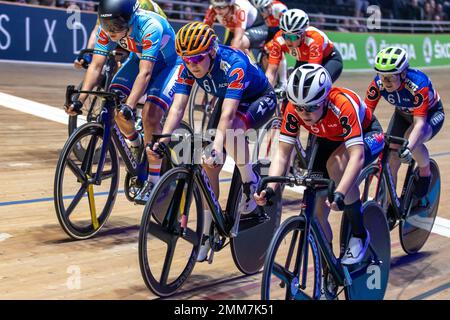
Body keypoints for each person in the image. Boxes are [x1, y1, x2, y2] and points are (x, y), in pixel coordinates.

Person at [148, 22, 277, 262]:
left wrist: (218, 147)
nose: (191, 64)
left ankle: (250, 181)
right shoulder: (188, 67)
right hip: (229, 100)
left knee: (231, 132)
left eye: (197, 58)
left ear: (212, 52)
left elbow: (228, 116)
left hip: (258, 98)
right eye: (186, 59)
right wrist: (162, 139)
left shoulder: (233, 65)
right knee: (209, 168)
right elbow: (176, 108)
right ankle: (207, 232)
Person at [255, 64, 385, 265]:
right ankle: (329, 267)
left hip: (367, 134)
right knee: (316, 213)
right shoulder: (293, 109)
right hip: (328, 137)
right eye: (299, 107)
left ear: (325, 99)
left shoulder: (342, 105)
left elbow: (357, 157)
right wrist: (271, 188)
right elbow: (282, 154)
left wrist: (340, 193)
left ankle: (360, 234)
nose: (303, 112)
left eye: (311, 107)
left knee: (336, 166)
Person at [65, 0, 181, 204]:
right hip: (139, 59)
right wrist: (79, 100)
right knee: (113, 104)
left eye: (117, 27)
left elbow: (145, 74)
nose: (111, 32)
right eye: (107, 26)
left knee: (149, 115)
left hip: (169, 65)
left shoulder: (149, 26)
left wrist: (130, 105)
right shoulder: (106, 28)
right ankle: (136, 145)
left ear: (131, 19)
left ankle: (153, 181)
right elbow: (96, 66)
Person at [364, 46, 445, 208]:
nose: (385, 82)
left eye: (390, 77)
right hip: (402, 114)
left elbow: (420, 124)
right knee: (392, 157)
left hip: (430, 115)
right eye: (381, 75)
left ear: (403, 73)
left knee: (409, 140)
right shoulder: (378, 83)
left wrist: (408, 148)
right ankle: (388, 204)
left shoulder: (418, 84)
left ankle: (425, 173)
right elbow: (365, 114)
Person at [74, 0, 166, 69]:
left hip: (147, 33)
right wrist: (89, 55)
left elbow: (139, 37)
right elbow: (96, 31)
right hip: (123, 30)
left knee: (132, 65)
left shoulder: (141, 4)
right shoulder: (109, 5)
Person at [265, 9, 343, 90]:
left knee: (315, 88)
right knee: (290, 93)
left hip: (329, 59)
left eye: (293, 37)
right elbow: (271, 71)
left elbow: (313, 73)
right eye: (285, 36)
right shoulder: (278, 39)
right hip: (303, 61)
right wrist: (266, 92)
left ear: (303, 34)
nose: (288, 41)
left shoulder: (314, 38)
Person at [250, 0, 288, 89]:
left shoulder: (280, 9)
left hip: (282, 30)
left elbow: (286, 28)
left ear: (270, 5)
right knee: (265, 55)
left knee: (276, 48)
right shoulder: (263, 12)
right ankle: (271, 81)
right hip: (269, 30)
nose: (261, 13)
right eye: (258, 10)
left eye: (263, 10)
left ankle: (283, 81)